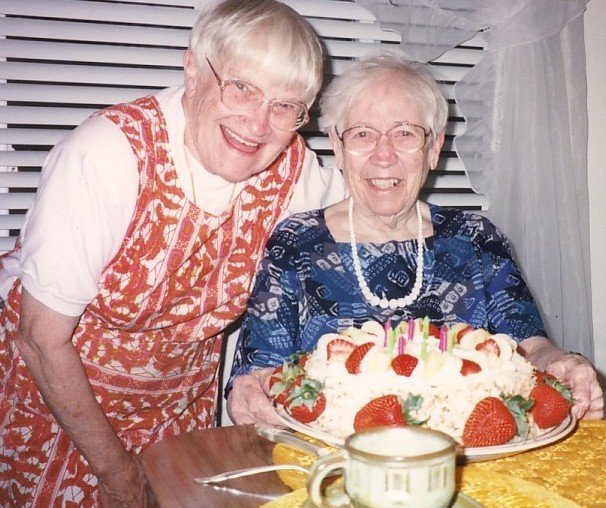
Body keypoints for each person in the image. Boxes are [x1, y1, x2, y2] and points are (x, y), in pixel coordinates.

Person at [0, 1, 347, 506]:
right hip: (51, 401)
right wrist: (117, 473)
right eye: (242, 87)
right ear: (192, 66)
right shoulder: (107, 156)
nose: (258, 123)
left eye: (285, 105)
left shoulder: (294, 171)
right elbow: (41, 340)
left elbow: (372, 216)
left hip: (176, 410)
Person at [226, 52, 604, 429]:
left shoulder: (476, 238)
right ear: (338, 147)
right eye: (362, 134)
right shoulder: (297, 241)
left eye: (405, 133)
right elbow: (260, 372)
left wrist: (561, 364)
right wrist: (251, 392)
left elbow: (530, 349)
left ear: (434, 147)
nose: (384, 155)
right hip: (334, 464)